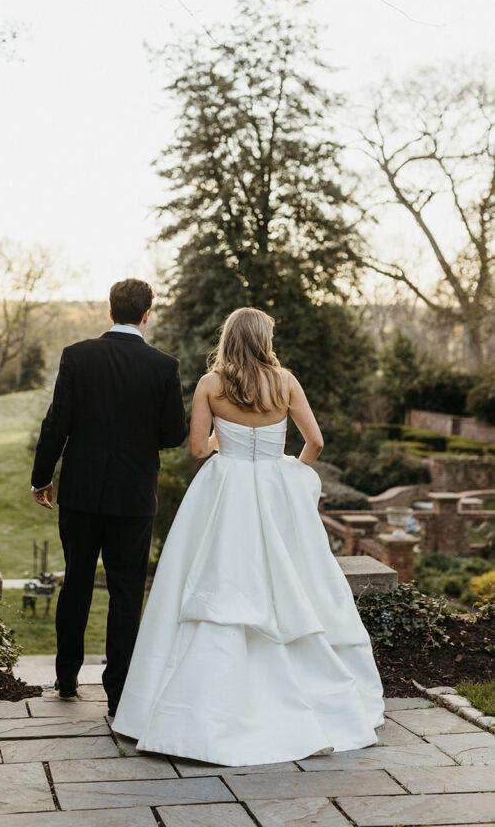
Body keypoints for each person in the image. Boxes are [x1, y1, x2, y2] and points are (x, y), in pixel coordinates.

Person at [112, 306, 384, 766]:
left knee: (218, 582)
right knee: (290, 583)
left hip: (225, 491)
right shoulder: (285, 381)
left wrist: (228, 444)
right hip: (275, 493)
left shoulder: (211, 384)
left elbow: (198, 448)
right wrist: (288, 472)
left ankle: (198, 708)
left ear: (228, 338)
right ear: (264, 338)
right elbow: (314, 441)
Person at [31, 278, 186, 717]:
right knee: (125, 591)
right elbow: (173, 435)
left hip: (80, 493)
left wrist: (42, 478)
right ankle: (119, 692)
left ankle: (66, 679)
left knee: (76, 581)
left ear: (110, 311)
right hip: (134, 497)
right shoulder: (163, 366)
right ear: (147, 314)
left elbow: (56, 423)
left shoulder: (77, 356)